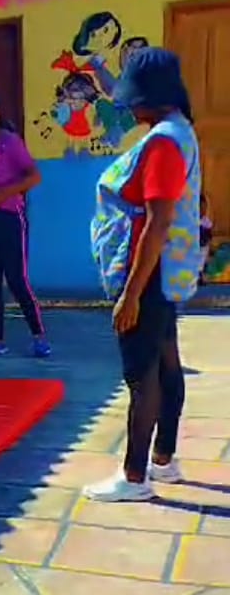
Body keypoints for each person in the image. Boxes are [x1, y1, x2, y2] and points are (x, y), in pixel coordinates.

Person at [85, 46, 203, 503]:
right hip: (164, 272)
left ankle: (134, 478)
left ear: (154, 97)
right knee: (167, 362)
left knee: (142, 376)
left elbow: (157, 223)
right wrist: (98, 70)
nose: (129, 107)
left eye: (135, 99)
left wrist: (130, 295)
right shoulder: (178, 130)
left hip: (148, 272)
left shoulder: (163, 144)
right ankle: (164, 460)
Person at [0, 87, 50, 358]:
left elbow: (34, 176)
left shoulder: (10, 142)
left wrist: (2, 194)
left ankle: (39, 337)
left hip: (8, 219)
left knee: (16, 280)